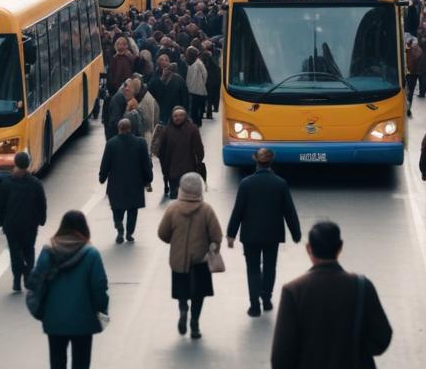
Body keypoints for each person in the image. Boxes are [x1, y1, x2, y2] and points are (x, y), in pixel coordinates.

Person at [271, 221, 393, 369]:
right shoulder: (362, 286)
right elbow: (382, 336)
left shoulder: (293, 291)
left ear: (308, 248)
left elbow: (281, 358)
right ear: (340, 247)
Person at [226, 147, 301, 316]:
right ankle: (266, 299)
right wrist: (296, 233)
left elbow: (238, 210)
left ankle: (254, 306)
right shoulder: (280, 183)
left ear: (256, 161)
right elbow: (289, 211)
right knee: (269, 267)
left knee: (252, 269)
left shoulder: (246, 184)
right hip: (272, 235)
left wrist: (231, 234)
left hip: (250, 235)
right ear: (271, 162)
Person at [33, 210, 109, 369]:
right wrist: (101, 310)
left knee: (57, 362)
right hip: (84, 320)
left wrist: (41, 312)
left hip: (54, 319)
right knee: (81, 362)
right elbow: (99, 287)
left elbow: (36, 284)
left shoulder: (48, 251)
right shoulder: (91, 254)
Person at [157, 172, 223, 339]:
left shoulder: (173, 208)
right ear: (200, 189)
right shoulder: (206, 210)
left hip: (179, 260)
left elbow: (162, 233)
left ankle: (183, 309)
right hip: (200, 260)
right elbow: (216, 235)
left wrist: (174, 241)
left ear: (181, 188)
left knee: (182, 291)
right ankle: (194, 323)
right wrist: (213, 246)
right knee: (198, 294)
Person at [0, 150, 47, 292]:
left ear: (15, 163)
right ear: (28, 164)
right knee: (29, 250)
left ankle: (17, 280)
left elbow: (1, 205)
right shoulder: (35, 183)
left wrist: (0, 221)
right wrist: (42, 219)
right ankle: (28, 276)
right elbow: (41, 203)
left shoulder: (6, 183)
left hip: (11, 225)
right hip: (30, 224)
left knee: (15, 251)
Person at [99, 118, 153, 244]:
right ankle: (129, 232)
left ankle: (119, 226)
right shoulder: (140, 143)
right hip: (135, 182)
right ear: (130, 128)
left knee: (116, 207)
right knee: (132, 209)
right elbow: (146, 163)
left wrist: (102, 177)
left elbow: (105, 163)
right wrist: (148, 178)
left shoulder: (111, 143)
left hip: (116, 183)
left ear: (119, 129)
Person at [156, 106, 204, 199]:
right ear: (172, 117)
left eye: (181, 115)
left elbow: (161, 152)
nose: (178, 118)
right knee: (186, 197)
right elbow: (161, 151)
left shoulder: (169, 130)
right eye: (176, 116)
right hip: (179, 173)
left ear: (185, 116)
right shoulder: (192, 129)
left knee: (179, 198)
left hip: (181, 173)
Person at [184, 46, 208, 127]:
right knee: (194, 106)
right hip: (193, 87)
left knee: (195, 106)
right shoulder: (194, 62)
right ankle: (196, 121)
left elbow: (205, 74)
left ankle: (196, 122)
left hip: (196, 88)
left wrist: (202, 83)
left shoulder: (198, 63)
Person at [405, 39, 425, 115]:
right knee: (410, 92)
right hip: (414, 74)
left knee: (408, 91)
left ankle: (407, 107)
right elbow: (421, 64)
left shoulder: (407, 50)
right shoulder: (419, 50)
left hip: (409, 73)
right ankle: (408, 107)